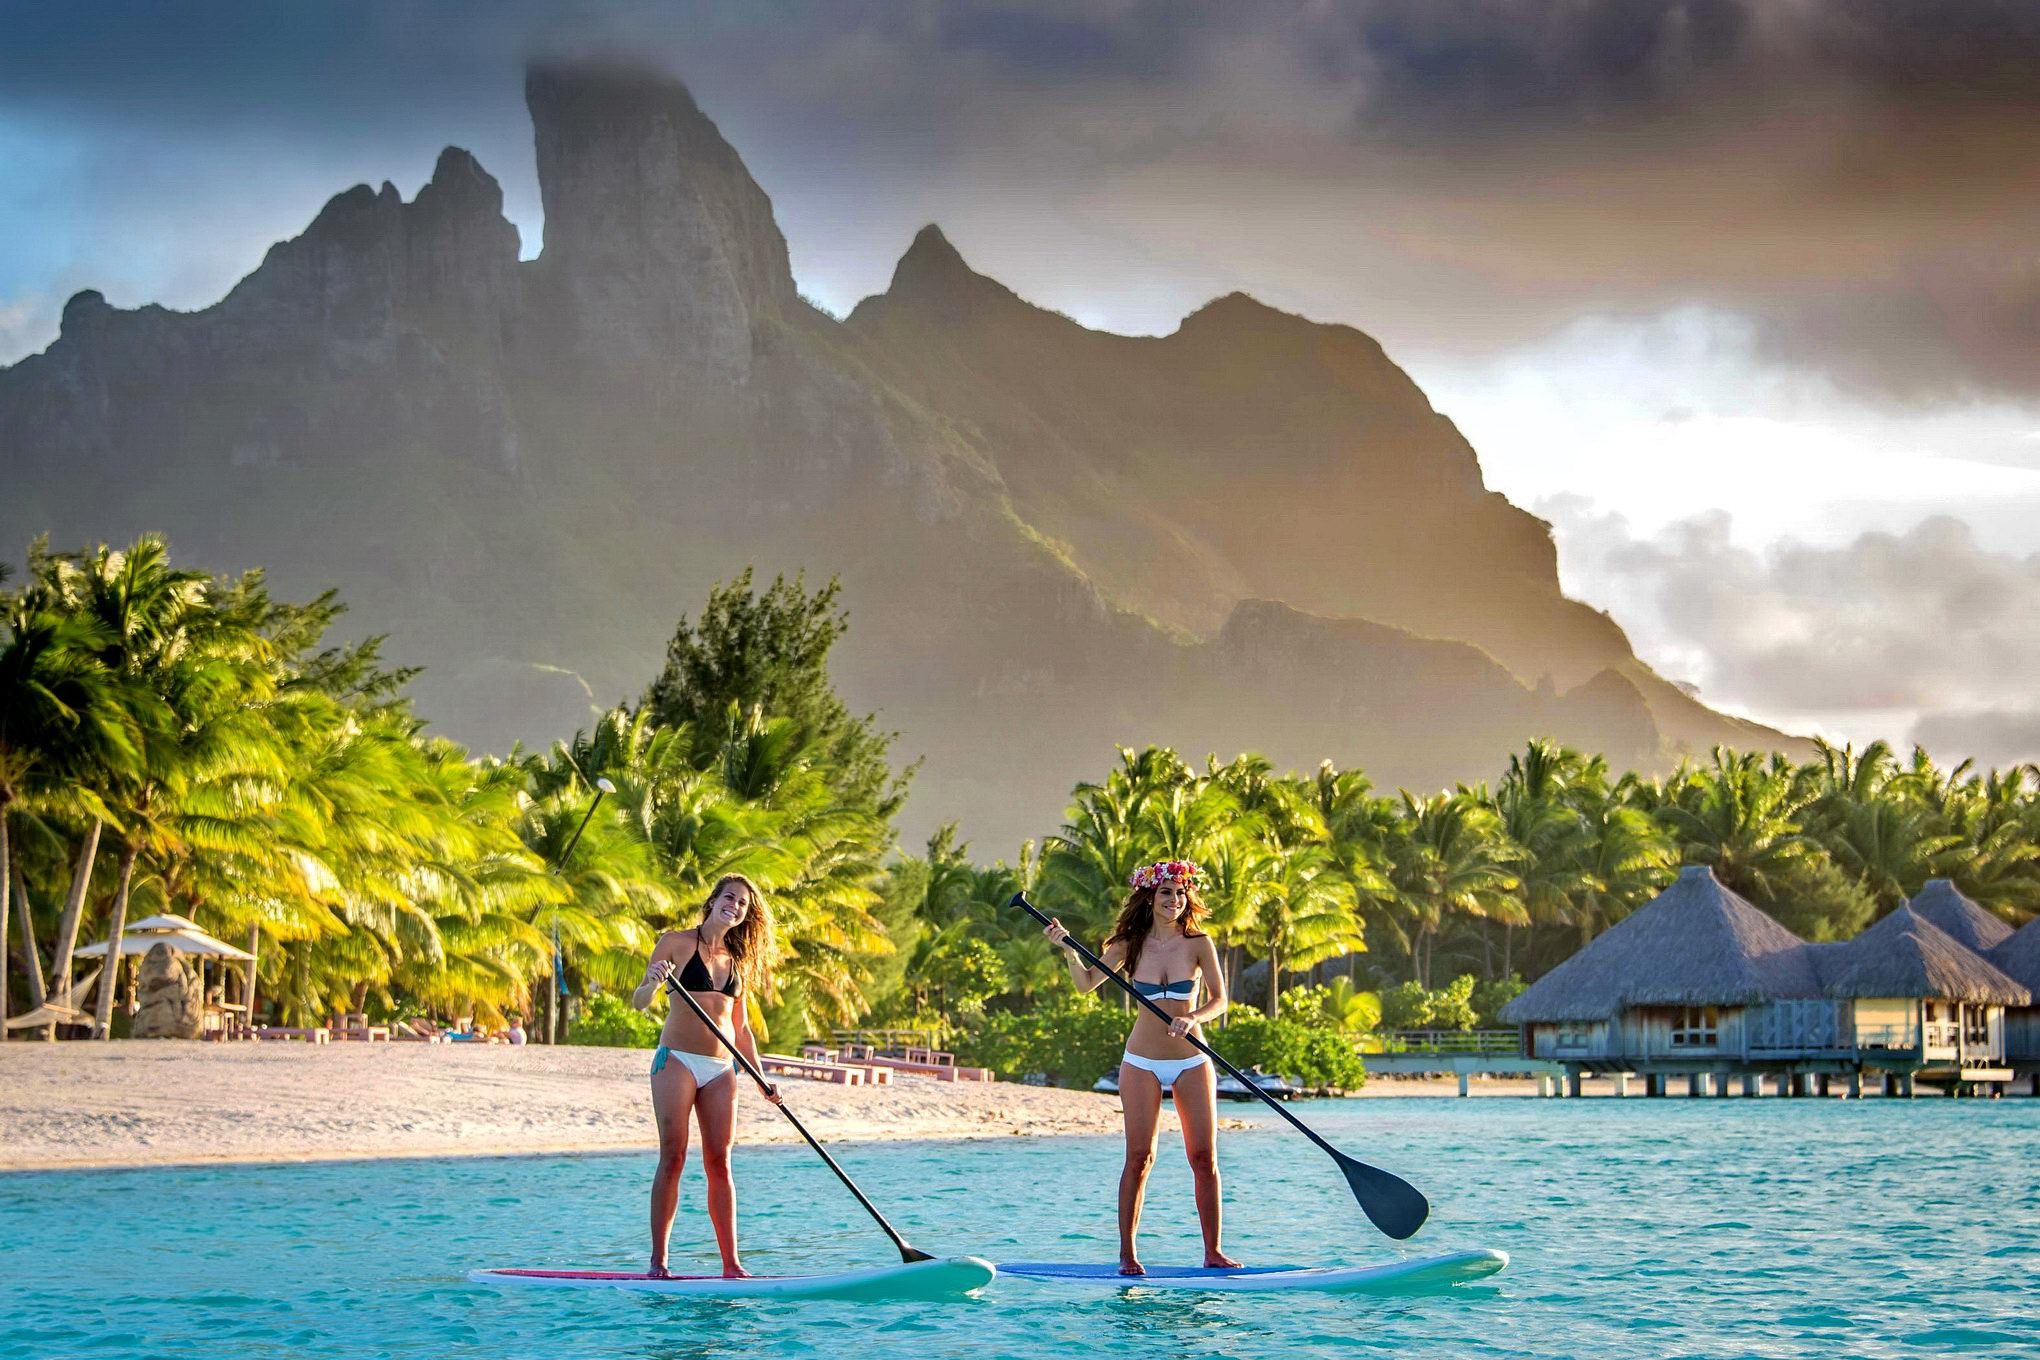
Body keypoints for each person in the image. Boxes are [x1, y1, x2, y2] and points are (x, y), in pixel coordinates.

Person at [1042, 859, 1240, 1275]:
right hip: (1142, 1062)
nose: (1175, 900)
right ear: (1149, 898)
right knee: (1139, 1157)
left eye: (1181, 893)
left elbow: (1220, 999)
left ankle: (1213, 1252)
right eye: (1166, 892)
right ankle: (1128, 1255)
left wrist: (1194, 1017)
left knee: (1204, 1157)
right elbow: (1085, 985)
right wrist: (1066, 950)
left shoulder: (1199, 942)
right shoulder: (1128, 945)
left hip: (1192, 1060)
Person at [632, 874, 782, 1278]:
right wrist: (654, 981)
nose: (734, 905)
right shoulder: (676, 943)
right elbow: (639, 1001)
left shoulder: (737, 962)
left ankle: (732, 1265)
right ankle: (658, 1261)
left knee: (720, 1162)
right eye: (729, 897)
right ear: (713, 900)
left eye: (743, 903)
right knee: (674, 1157)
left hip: (722, 1068)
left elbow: (743, 1029)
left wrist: (761, 1078)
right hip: (677, 1060)